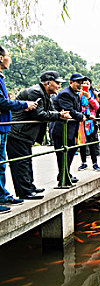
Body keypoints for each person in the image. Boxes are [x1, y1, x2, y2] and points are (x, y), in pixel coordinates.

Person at [7, 71, 70, 200]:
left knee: (27, 161)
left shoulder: (46, 94)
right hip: (17, 133)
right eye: (57, 83)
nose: (59, 86)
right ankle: (24, 191)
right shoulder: (35, 92)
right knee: (21, 163)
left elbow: (50, 111)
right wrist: (59, 115)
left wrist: (58, 114)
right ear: (47, 83)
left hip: (24, 134)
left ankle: (29, 186)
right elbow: (39, 114)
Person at [0, 45, 37, 211]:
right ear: (1, 58)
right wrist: (24, 105)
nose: (10, 59)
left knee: (2, 164)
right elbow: (2, 103)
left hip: (4, 128)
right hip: (3, 127)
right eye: (9, 56)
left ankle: (2, 195)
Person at [50, 73, 86, 185]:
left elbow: (77, 110)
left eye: (81, 82)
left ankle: (65, 173)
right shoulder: (65, 94)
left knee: (70, 151)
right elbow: (69, 110)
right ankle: (63, 176)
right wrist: (81, 116)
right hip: (62, 130)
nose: (80, 85)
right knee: (63, 153)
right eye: (78, 82)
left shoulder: (75, 94)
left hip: (71, 130)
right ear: (71, 82)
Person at [78, 78, 100, 171]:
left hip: (91, 121)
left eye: (87, 83)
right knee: (82, 142)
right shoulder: (77, 94)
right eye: (83, 83)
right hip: (81, 120)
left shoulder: (93, 94)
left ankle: (95, 163)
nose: (85, 85)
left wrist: (89, 98)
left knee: (92, 142)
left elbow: (96, 106)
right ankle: (84, 162)